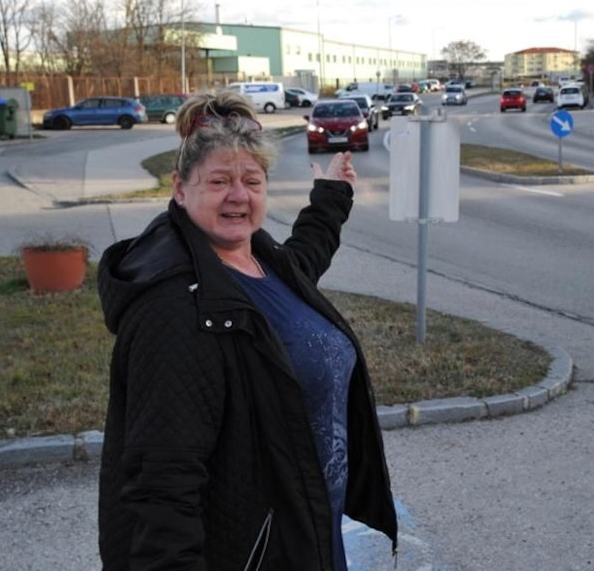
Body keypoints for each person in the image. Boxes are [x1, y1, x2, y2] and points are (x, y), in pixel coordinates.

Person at [97, 90, 397, 570]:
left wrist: (332, 198)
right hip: (254, 553)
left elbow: (303, 263)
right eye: (219, 181)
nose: (239, 196)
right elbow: (161, 483)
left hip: (305, 532)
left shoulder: (259, 257)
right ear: (180, 188)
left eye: (251, 181)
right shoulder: (176, 305)